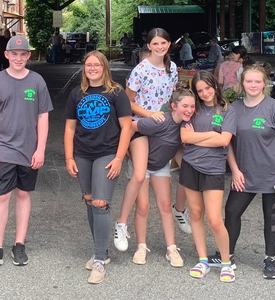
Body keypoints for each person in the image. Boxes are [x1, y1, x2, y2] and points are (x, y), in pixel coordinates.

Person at [114, 28, 190, 264]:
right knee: (142, 193)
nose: (159, 47)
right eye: (155, 43)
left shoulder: (173, 68)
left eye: (163, 43)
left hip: (164, 128)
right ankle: (136, 239)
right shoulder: (140, 69)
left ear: (169, 44)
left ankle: (172, 245)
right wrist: (149, 114)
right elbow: (128, 101)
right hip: (142, 127)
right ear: (149, 45)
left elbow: (172, 97)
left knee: (168, 195)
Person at [209, 64, 275, 279]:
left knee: (271, 215)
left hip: (272, 172)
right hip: (244, 173)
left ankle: (270, 260)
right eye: (249, 81)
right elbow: (228, 143)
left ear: (264, 84)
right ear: (242, 83)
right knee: (232, 211)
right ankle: (228, 254)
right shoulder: (234, 108)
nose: (253, 85)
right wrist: (234, 171)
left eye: (257, 81)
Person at [0, 35, 53, 267]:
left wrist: (40, 149)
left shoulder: (37, 81)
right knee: (1, 196)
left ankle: (19, 244)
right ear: (6, 55)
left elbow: (43, 117)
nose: (19, 58)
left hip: (28, 149)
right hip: (3, 148)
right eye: (14, 54)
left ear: (28, 56)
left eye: (23, 54)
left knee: (23, 194)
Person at [64, 50, 131, 284]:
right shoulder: (76, 94)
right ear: (84, 68)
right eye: (88, 65)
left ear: (104, 67)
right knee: (90, 200)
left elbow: (127, 127)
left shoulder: (116, 93)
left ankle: (100, 260)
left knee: (101, 204)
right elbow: (70, 128)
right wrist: (69, 157)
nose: (92, 68)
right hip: (83, 154)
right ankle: (101, 251)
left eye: (97, 65)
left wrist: (120, 158)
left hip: (107, 154)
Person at [127, 88, 196, 267]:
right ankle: (141, 246)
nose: (189, 110)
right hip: (142, 164)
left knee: (165, 205)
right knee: (142, 206)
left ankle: (171, 248)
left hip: (161, 165)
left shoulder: (186, 126)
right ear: (173, 106)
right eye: (185, 106)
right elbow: (131, 126)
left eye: (192, 106)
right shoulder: (160, 121)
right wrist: (125, 153)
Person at [179, 70, 236, 283]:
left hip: (213, 169)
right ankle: (202, 259)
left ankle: (226, 262)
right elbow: (184, 137)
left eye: (207, 88)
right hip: (190, 166)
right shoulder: (192, 109)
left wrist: (199, 139)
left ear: (215, 85)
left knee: (214, 219)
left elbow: (224, 141)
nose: (204, 93)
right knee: (195, 214)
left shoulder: (228, 110)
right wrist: (212, 134)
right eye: (200, 90)